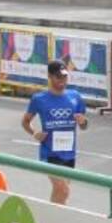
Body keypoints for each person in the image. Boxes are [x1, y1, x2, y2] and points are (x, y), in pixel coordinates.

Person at [22, 60, 88, 204]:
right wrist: (35, 133)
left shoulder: (75, 97)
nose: (62, 80)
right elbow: (25, 121)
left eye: (65, 76)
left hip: (69, 152)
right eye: (58, 77)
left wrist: (83, 122)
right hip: (49, 153)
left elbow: (84, 125)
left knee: (61, 194)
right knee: (63, 190)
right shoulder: (39, 99)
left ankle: (54, 215)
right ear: (50, 77)